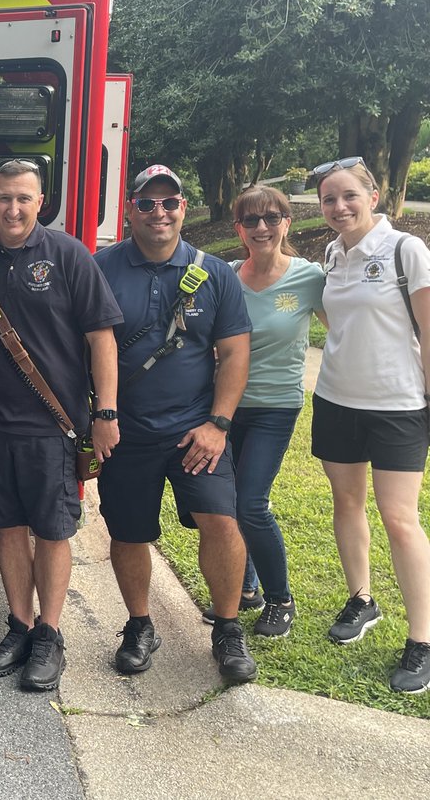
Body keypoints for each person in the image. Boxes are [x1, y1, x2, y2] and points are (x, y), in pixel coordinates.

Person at [0, 159, 122, 691]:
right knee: (7, 527)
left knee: (51, 530)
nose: (13, 208)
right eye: (3, 197)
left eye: (24, 198)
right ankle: (18, 627)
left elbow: (101, 339)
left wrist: (106, 413)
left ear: (40, 202)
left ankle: (49, 635)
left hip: (54, 424)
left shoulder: (69, 255)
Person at [94, 164, 258, 684]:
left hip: (195, 432)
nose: (159, 212)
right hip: (126, 431)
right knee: (129, 533)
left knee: (220, 522)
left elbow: (234, 354)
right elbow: (85, 348)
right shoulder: (101, 268)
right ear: (129, 210)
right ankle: (140, 625)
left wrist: (218, 424)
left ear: (184, 208)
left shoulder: (216, 272)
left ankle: (227, 628)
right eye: (147, 203)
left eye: (170, 203)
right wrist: (100, 417)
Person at [312, 156, 430, 693]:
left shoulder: (407, 250)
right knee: (346, 505)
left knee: (400, 519)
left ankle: (421, 640)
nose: (339, 207)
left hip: (398, 407)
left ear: (373, 197)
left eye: (348, 196)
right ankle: (362, 600)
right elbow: (337, 321)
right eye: (329, 199)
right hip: (336, 399)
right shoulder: (333, 254)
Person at [199, 186, 324, 638]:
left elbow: (346, 327)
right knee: (224, 505)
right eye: (250, 221)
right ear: (238, 230)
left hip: (275, 407)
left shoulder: (310, 278)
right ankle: (245, 588)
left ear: (287, 222)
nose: (261, 228)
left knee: (251, 503)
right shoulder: (228, 276)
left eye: (271, 218)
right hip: (224, 408)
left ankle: (280, 599)